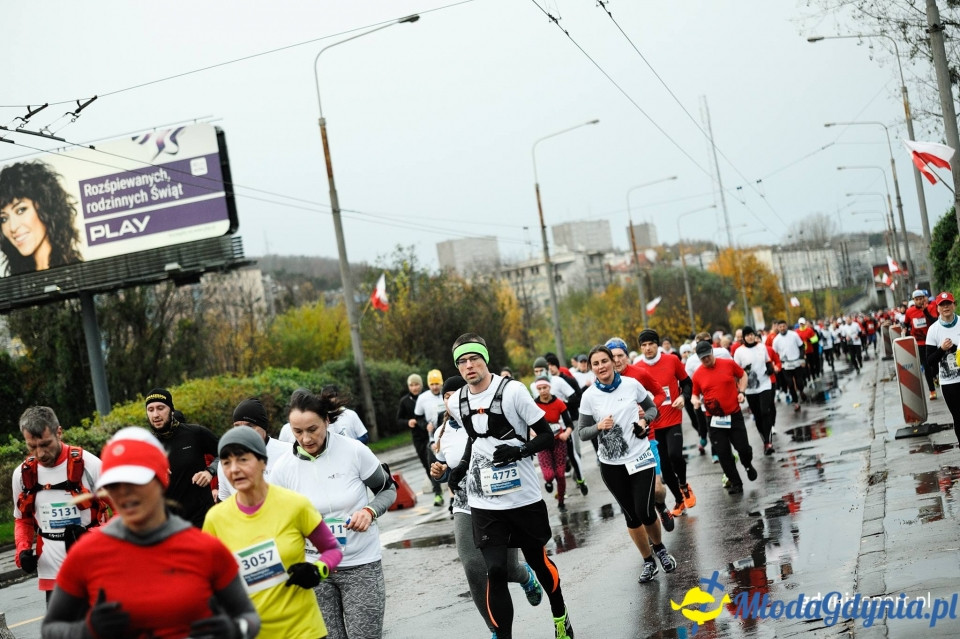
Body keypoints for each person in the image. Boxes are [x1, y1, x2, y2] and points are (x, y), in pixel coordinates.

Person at [42, 427, 260, 639]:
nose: (124, 493)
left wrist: (234, 630)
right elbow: (51, 629)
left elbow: (249, 617)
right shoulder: (86, 554)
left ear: (160, 480)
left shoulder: (205, 548)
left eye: (135, 482)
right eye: (115, 484)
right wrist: (88, 631)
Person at [445, 333, 574, 639]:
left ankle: (561, 617)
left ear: (485, 359)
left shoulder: (513, 392)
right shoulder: (457, 402)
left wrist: (519, 451)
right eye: (462, 362)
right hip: (485, 501)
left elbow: (545, 435)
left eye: (474, 358)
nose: (469, 366)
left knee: (537, 562)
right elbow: (475, 441)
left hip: (522, 497)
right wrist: (461, 468)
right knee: (496, 571)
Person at [271, 388, 398, 639]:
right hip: (315, 569)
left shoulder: (353, 451)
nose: (305, 438)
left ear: (327, 421)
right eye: (297, 431)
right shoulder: (282, 468)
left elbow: (387, 489)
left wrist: (369, 511)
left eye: (312, 429)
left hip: (361, 563)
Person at [430, 375, 543, 638]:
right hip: (465, 504)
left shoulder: (485, 418)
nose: (450, 401)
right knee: (473, 566)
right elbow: (446, 469)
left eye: (454, 396)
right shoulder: (441, 433)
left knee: (505, 569)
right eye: (445, 398)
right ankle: (496, 628)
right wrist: (440, 473)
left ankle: (525, 576)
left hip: (499, 503)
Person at [204, 426, 342, 638]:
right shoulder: (216, 519)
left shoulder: (294, 505)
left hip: (304, 630)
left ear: (262, 461)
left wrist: (317, 571)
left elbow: (332, 549)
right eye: (226, 462)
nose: (234, 469)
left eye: (242, 459)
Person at [579, 344, 678, 584]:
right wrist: (598, 427)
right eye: (596, 364)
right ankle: (648, 561)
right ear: (592, 369)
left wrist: (646, 423)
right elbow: (582, 433)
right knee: (631, 516)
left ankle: (661, 549)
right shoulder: (589, 396)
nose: (601, 366)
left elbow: (652, 408)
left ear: (613, 362)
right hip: (611, 464)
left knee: (644, 511)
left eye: (605, 361)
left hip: (639, 456)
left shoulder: (631, 385)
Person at [13, 407, 103, 601]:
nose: (40, 453)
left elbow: (125, 515)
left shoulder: (91, 465)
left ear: (59, 432)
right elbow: (22, 520)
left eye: (46, 444)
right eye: (32, 446)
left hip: (96, 569)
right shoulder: (22, 474)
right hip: (52, 575)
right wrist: (22, 551)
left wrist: (91, 536)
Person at [637, 329, 696, 518]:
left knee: (675, 455)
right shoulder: (637, 369)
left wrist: (683, 397)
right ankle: (679, 500)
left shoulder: (672, 360)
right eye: (644, 345)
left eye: (651, 344)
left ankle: (684, 485)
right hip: (653, 424)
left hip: (672, 418)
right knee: (664, 466)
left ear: (658, 344)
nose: (647, 348)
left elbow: (687, 383)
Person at [144, 388, 220, 527]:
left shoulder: (195, 433)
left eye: (160, 408)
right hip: (169, 526)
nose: (155, 414)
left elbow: (225, 453)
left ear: (171, 410)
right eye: (151, 410)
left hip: (203, 519)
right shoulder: (145, 445)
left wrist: (210, 471)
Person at [691, 341, 757, 494]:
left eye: (707, 356)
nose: (706, 360)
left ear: (712, 352)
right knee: (723, 453)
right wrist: (695, 401)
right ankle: (736, 482)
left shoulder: (728, 364)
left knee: (743, 449)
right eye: (702, 358)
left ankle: (747, 465)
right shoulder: (698, 374)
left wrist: (742, 392)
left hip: (734, 414)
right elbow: (695, 394)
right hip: (714, 420)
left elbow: (743, 375)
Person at [0, 161, 82, 276]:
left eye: (21, 210)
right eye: (3, 219)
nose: (13, 227)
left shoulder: (79, 273)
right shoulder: (16, 286)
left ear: (45, 207)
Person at [217, 398, 290, 501]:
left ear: (263, 427)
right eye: (237, 426)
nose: (242, 431)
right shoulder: (227, 460)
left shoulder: (288, 452)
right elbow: (224, 500)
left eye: (250, 426)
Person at [397, 373, 444, 507]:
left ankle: (444, 489)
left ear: (422, 385)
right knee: (427, 464)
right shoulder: (405, 401)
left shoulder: (429, 395)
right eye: (411, 385)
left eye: (417, 384)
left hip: (433, 433)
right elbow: (398, 420)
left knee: (440, 460)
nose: (414, 387)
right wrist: (408, 422)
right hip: (419, 436)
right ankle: (438, 491)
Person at [532, 374, 575, 511]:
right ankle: (549, 482)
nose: (543, 391)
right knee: (549, 475)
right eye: (540, 388)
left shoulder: (559, 403)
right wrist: (534, 434)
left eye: (545, 387)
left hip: (558, 441)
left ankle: (561, 502)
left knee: (561, 474)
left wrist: (566, 434)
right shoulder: (534, 404)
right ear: (537, 390)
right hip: (543, 443)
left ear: (549, 388)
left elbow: (569, 424)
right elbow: (528, 425)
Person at [733, 326, 776, 455]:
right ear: (744, 338)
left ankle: (769, 443)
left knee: (765, 412)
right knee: (758, 415)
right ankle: (764, 441)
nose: (750, 337)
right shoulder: (739, 352)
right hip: (750, 389)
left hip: (764, 384)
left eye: (752, 334)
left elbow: (768, 361)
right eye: (747, 335)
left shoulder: (761, 347)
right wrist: (740, 388)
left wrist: (770, 369)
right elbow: (736, 371)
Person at [926, 292, 960, 446]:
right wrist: (941, 349)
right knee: (958, 417)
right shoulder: (933, 330)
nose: (946, 307)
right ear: (937, 308)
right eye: (942, 304)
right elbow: (929, 361)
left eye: (948, 303)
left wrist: (955, 348)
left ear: (954, 305)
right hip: (949, 383)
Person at [416, 369, 448, 506]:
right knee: (433, 466)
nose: (435, 387)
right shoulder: (423, 398)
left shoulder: (447, 393)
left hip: (448, 437)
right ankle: (438, 494)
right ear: (428, 385)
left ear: (441, 383)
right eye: (432, 384)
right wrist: (425, 425)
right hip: (433, 439)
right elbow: (418, 417)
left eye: (437, 384)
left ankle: (454, 495)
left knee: (451, 464)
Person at [905, 289, 940, 400]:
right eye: (917, 299)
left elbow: (935, 321)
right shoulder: (909, 311)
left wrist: (926, 312)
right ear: (914, 300)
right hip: (919, 342)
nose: (919, 301)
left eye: (921, 299)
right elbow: (906, 324)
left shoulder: (930, 307)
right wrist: (904, 331)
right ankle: (932, 390)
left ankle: (935, 376)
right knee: (926, 366)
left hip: (932, 341)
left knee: (935, 364)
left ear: (925, 298)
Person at [772, 320, 807, 411]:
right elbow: (774, 353)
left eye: (783, 326)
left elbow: (801, 346)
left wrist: (802, 358)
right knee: (790, 384)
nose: (782, 328)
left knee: (799, 382)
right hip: (785, 365)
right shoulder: (776, 340)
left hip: (796, 362)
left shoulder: (794, 335)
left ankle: (801, 391)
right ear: (778, 328)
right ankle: (795, 403)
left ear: (786, 326)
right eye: (780, 327)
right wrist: (776, 364)